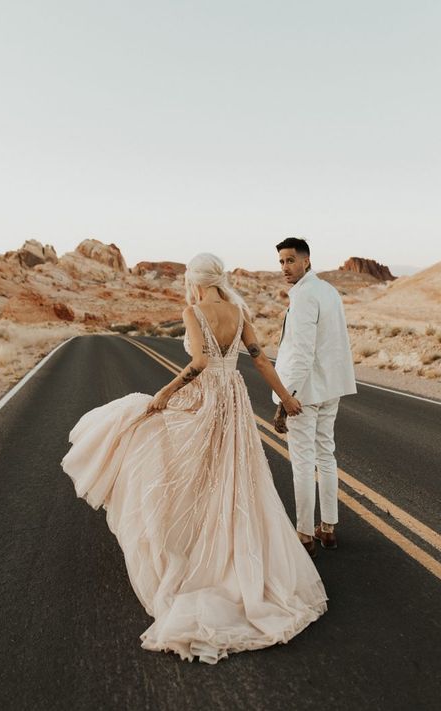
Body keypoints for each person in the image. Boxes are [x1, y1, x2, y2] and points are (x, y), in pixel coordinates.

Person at [61, 252, 327, 664]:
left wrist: (165, 394)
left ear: (196, 281)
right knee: (231, 475)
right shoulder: (238, 311)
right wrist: (287, 397)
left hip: (206, 397)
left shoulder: (193, 310)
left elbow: (200, 362)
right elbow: (258, 358)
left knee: (159, 442)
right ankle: (230, 554)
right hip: (234, 399)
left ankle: (190, 551)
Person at [272, 238, 357, 558]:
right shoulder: (328, 290)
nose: (285, 267)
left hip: (304, 392)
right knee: (326, 455)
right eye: (281, 261)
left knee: (304, 463)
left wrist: (286, 397)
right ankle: (329, 529)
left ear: (306, 261)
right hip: (330, 387)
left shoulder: (306, 295)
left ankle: (305, 533)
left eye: (290, 260)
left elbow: (303, 352)